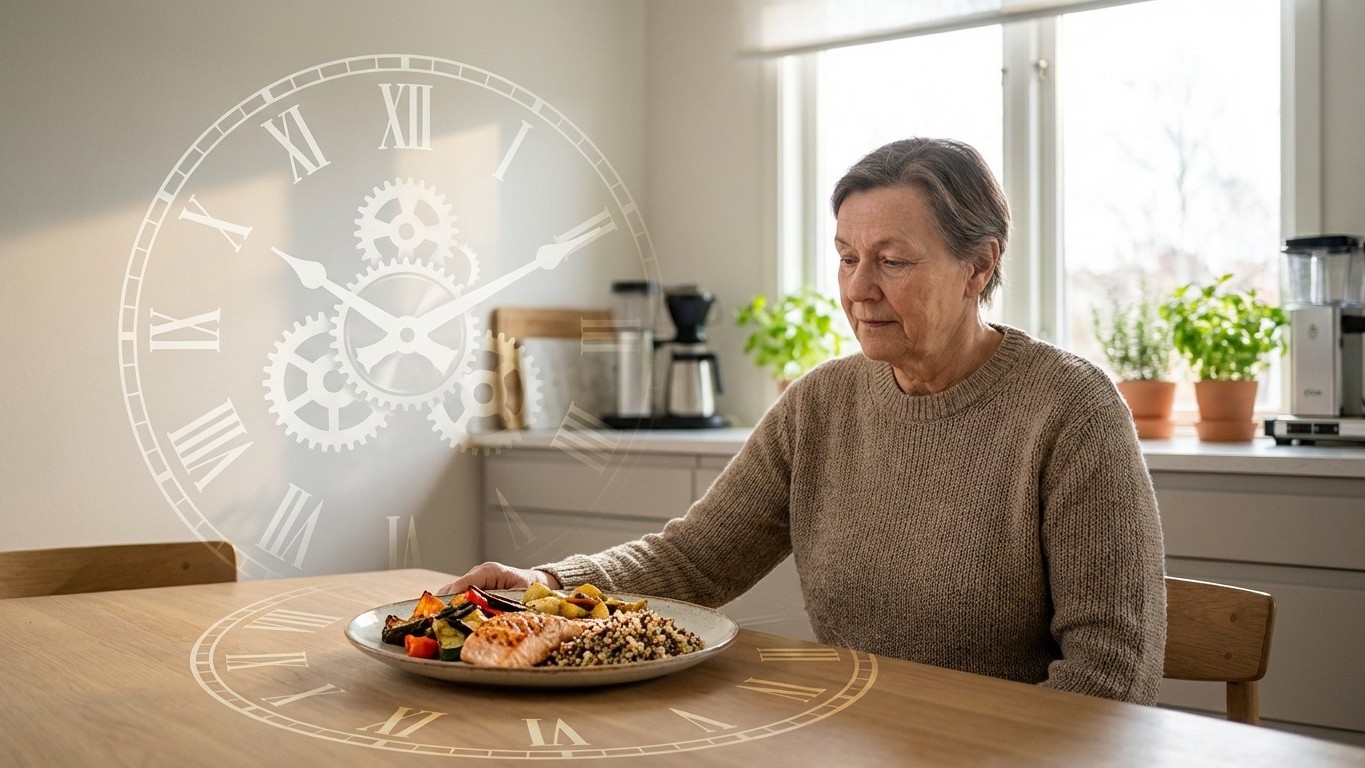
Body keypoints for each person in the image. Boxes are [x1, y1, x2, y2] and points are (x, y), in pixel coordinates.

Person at [440, 137, 1167, 704]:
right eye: (847, 258)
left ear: (978, 266)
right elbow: (694, 559)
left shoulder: (1070, 409)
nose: (858, 290)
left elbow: (1111, 675)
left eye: (891, 260)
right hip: (846, 732)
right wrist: (545, 584)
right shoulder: (821, 403)